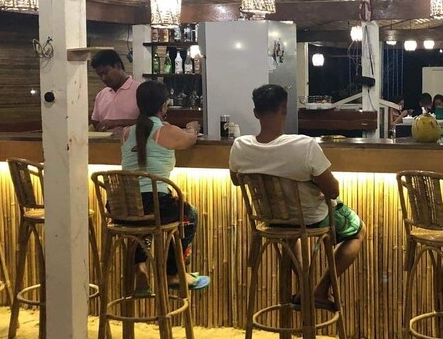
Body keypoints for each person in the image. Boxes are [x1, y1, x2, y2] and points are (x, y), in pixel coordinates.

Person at [230, 84, 364, 311]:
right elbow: (333, 191)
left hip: (272, 220)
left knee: (291, 235)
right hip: (310, 219)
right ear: (284, 109)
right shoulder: (304, 146)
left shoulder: (240, 146)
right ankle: (320, 290)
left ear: (255, 112)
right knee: (358, 231)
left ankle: (305, 287)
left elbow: (236, 180)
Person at [120, 80, 209, 295]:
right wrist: (192, 128)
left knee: (142, 225)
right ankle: (173, 273)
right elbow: (190, 140)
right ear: (164, 105)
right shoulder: (166, 131)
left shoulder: (127, 132)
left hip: (124, 205)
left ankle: (140, 266)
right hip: (155, 203)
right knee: (189, 215)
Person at [91, 50, 140, 132]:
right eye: (100, 75)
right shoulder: (101, 95)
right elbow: (96, 121)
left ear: (118, 66)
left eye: (106, 73)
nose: (103, 78)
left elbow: (150, 122)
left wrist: (118, 123)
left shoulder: (139, 90)